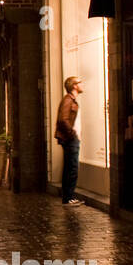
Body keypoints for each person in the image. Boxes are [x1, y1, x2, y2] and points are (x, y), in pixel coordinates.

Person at [55, 76, 84, 206]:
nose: (82, 84)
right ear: (74, 86)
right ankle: (69, 197)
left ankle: (68, 196)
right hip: (70, 139)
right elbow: (63, 119)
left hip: (71, 139)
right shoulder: (68, 100)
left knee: (70, 167)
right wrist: (73, 134)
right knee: (72, 168)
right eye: (79, 82)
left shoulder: (71, 100)